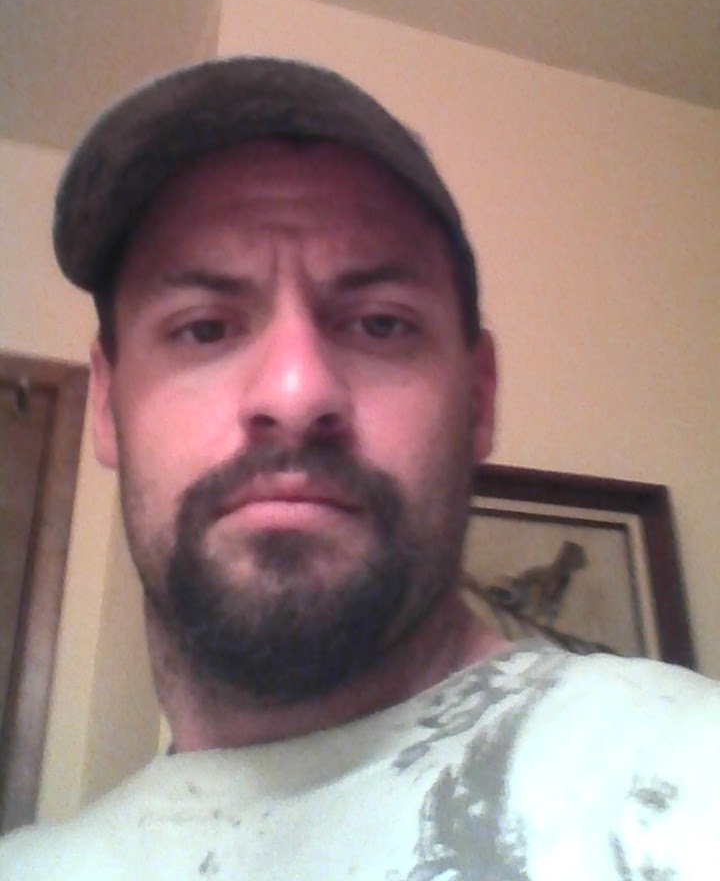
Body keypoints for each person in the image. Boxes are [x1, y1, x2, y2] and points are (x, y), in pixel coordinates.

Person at [1, 56, 718, 880]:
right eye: (203, 327)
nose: (295, 392)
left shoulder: (682, 778)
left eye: (380, 324)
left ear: (479, 399)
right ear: (105, 404)